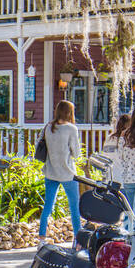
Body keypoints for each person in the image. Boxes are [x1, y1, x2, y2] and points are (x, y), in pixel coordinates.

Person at [38, 99, 82, 245]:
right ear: (70, 113)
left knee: (48, 206)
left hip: (50, 172)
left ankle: (41, 239)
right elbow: (76, 154)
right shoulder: (71, 129)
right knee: (74, 207)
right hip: (67, 173)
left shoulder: (48, 127)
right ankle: (78, 240)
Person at [99, 113, 131, 181]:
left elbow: (104, 157)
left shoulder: (109, 138)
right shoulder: (127, 140)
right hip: (123, 179)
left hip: (109, 178)